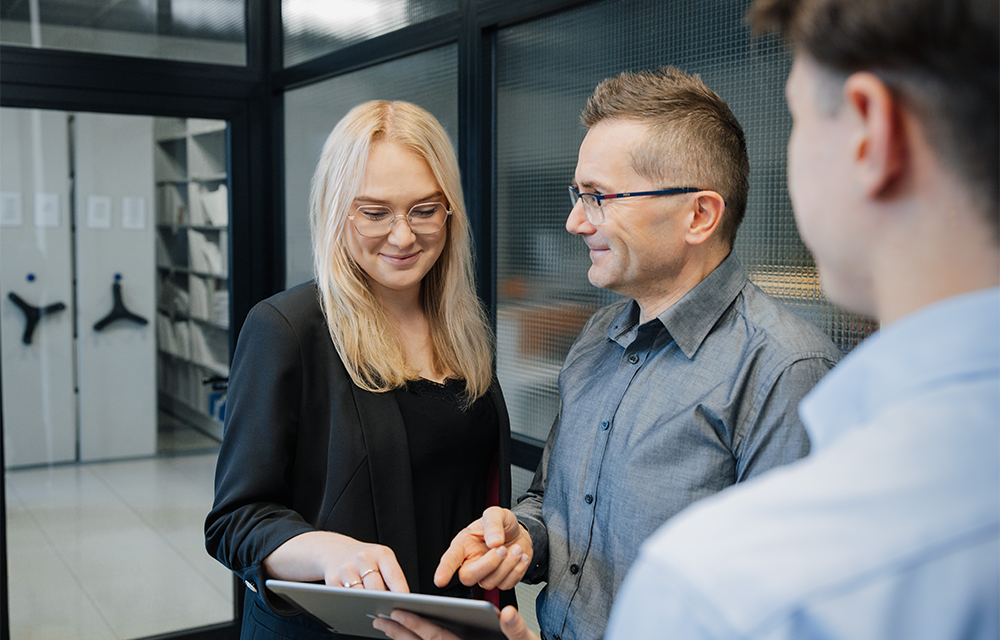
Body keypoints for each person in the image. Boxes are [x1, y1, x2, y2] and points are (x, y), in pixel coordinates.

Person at [380, 66, 842, 640]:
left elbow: (784, 618)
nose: (575, 222)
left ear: (699, 215)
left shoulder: (784, 372)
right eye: (578, 195)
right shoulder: (598, 338)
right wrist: (523, 537)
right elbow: (553, 502)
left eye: (598, 198)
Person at [604, 0, 1000, 637]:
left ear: (871, 131)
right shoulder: (602, 337)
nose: (579, 221)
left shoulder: (722, 594)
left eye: (796, 119)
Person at [204, 100, 513, 639]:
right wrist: (329, 553)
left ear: (449, 211)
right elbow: (235, 520)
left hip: (453, 623)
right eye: (374, 213)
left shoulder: (462, 325)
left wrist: (500, 540)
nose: (403, 236)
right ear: (336, 211)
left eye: (424, 209)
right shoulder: (287, 328)